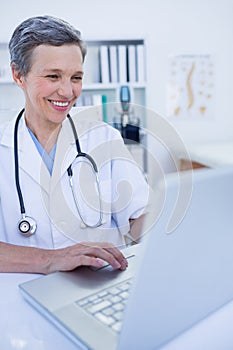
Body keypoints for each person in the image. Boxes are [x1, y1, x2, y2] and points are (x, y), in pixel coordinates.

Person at [0, 15, 149, 274]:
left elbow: (139, 217)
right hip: (20, 296)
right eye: (53, 76)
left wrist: (165, 232)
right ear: (18, 74)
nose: (68, 92)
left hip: (99, 290)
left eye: (76, 77)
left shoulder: (104, 138)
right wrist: (51, 259)